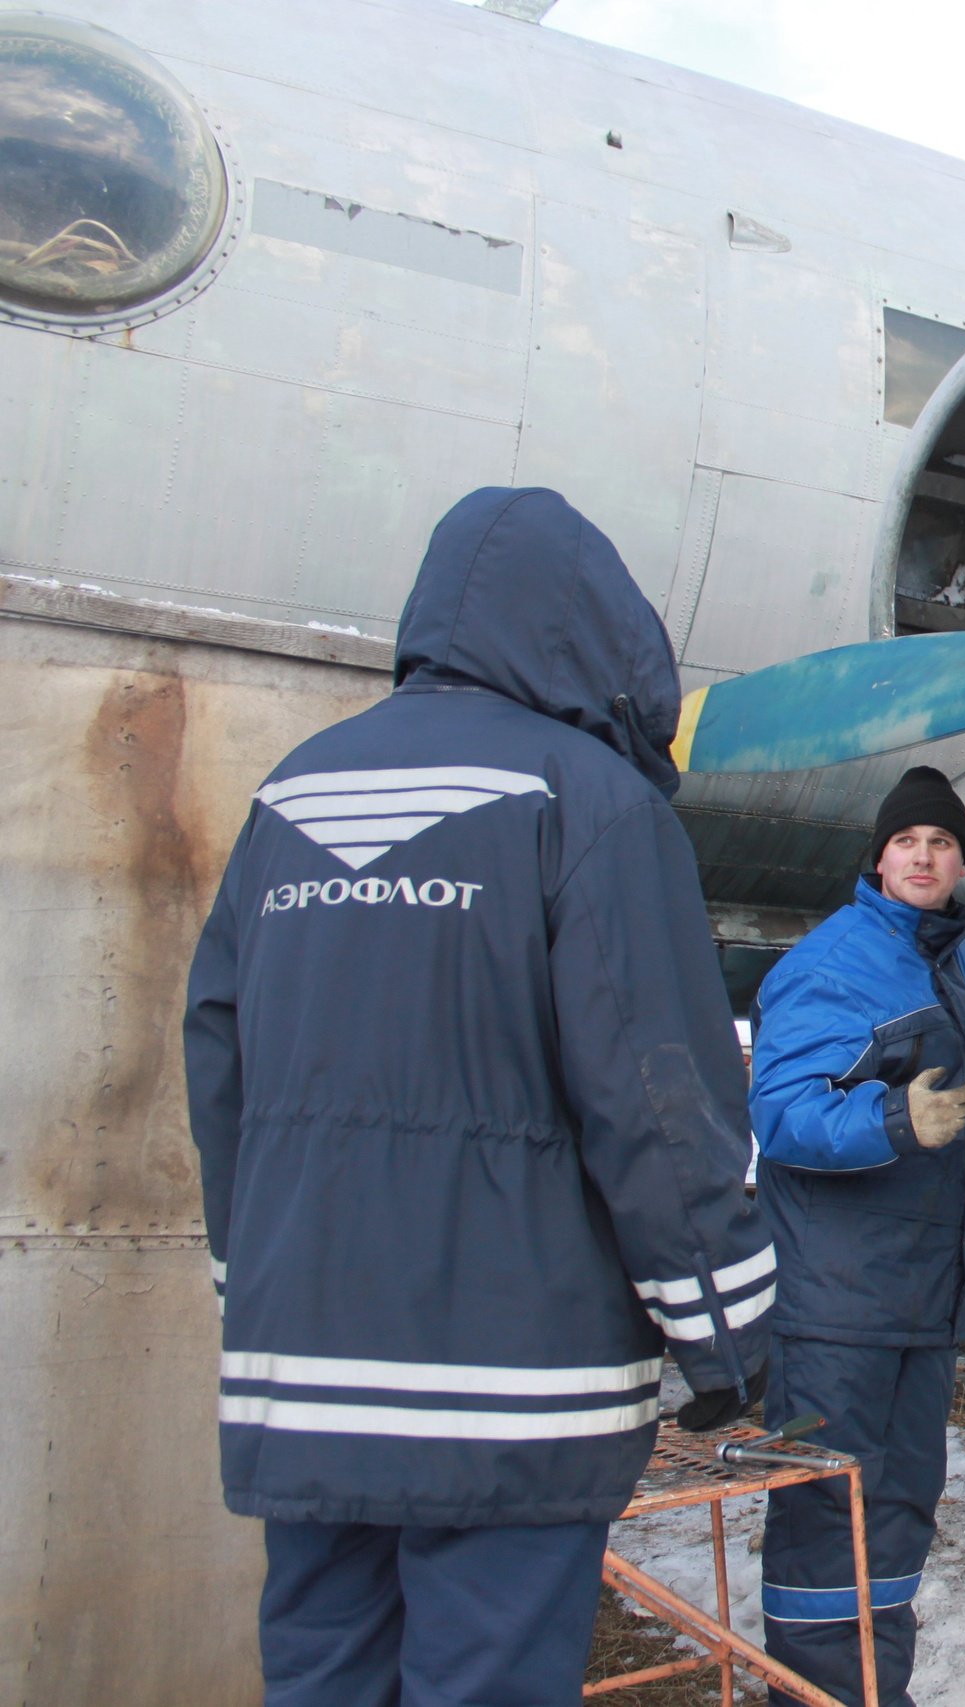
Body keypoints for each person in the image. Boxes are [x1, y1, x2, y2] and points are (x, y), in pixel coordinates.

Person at [184, 488, 772, 1706]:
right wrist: (723, 1331)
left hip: (306, 1371)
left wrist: (255, 1280)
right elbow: (659, 1099)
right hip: (512, 1381)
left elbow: (220, 1064)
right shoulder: (588, 804)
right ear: (595, 635)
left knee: (322, 1672)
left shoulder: (289, 796)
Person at [748, 765, 965, 1707]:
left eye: (941, 843)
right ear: (880, 857)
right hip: (837, 1309)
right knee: (827, 1520)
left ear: (961, 860)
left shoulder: (964, 965)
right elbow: (781, 1113)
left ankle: (870, 1692)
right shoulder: (832, 964)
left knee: (897, 1520)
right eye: (908, 842)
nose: (924, 857)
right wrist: (894, 1120)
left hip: (923, 1305)